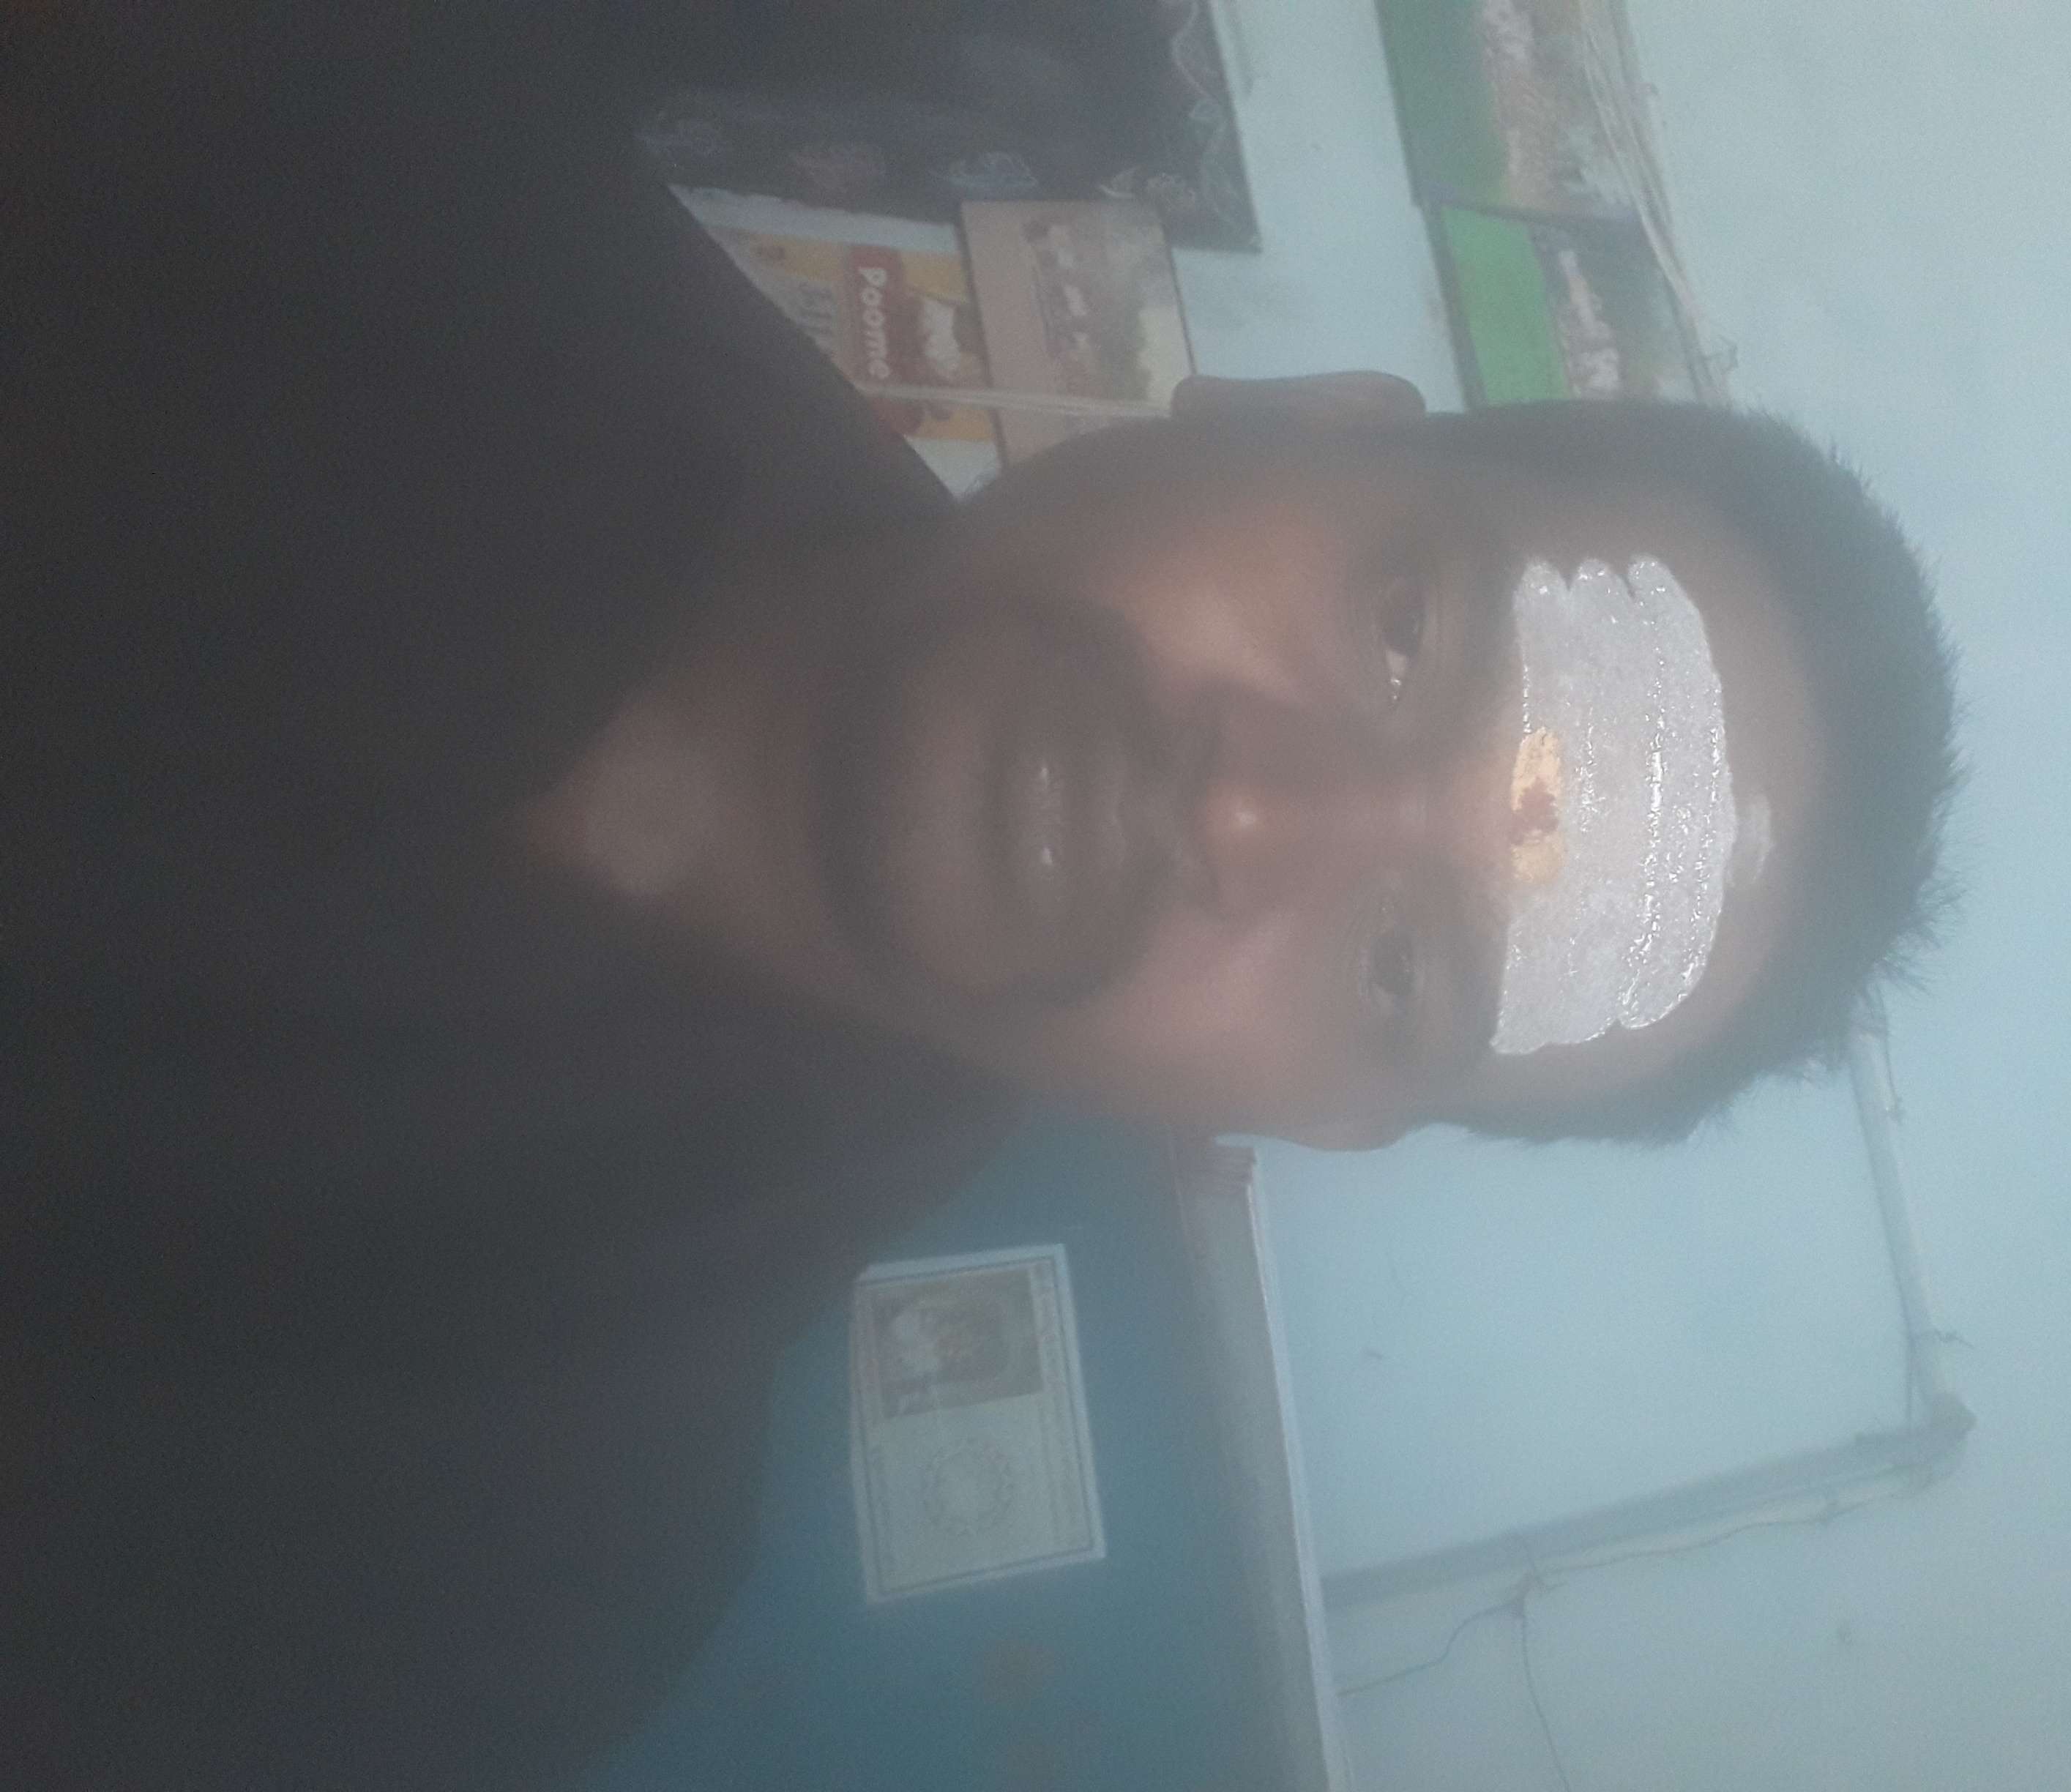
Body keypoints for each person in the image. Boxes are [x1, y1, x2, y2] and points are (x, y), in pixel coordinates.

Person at [1, 7, 1959, 1788]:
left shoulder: (458, 1597)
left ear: (1306, 1117)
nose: (1257, 813)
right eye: (1403, 629)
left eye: (1398, 968)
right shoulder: (319, 107)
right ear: (1286, 412)